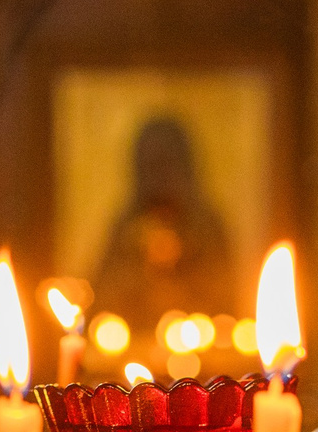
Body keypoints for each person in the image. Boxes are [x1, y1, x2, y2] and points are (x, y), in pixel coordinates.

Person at [92, 115, 237, 334]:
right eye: (151, 164)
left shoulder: (207, 226)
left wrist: (184, 264)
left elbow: (227, 303)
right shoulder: (125, 227)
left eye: (167, 163)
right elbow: (102, 301)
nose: (159, 175)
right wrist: (140, 272)